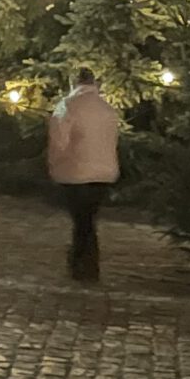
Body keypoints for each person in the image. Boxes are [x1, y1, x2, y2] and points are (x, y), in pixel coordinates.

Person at [47, 68, 122, 280]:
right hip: (104, 172)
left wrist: (54, 166)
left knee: (82, 220)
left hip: (76, 171)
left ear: (74, 83)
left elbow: (58, 143)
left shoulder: (67, 107)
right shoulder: (107, 109)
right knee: (88, 218)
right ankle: (85, 262)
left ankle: (83, 263)